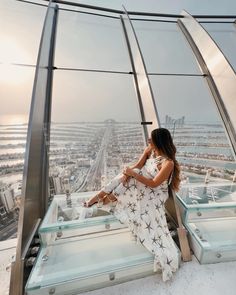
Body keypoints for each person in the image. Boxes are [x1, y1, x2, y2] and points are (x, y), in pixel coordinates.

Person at [84, 128, 181, 281]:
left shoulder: (168, 163)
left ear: (159, 141)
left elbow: (155, 184)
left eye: (151, 139)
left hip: (154, 193)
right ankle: (105, 197)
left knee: (132, 177)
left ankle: (102, 197)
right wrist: (129, 171)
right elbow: (138, 165)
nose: (149, 141)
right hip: (144, 186)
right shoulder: (151, 151)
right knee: (127, 176)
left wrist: (133, 174)